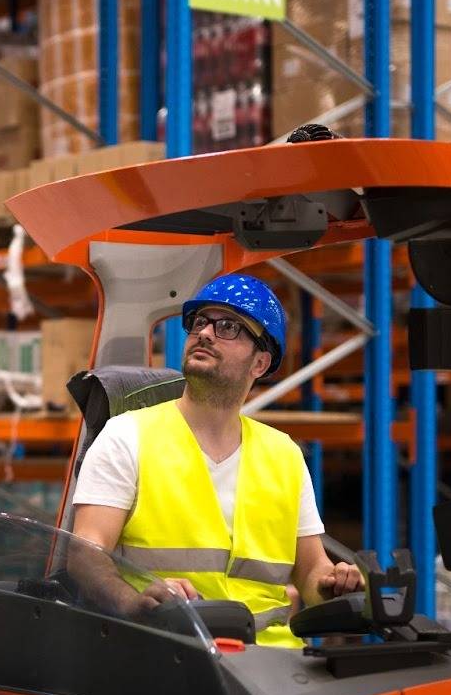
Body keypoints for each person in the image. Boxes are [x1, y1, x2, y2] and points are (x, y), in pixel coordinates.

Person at [68, 273, 363, 647]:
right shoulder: (127, 436)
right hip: (166, 646)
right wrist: (133, 602)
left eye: (228, 327)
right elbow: (84, 553)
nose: (205, 333)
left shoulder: (284, 454)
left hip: (272, 665)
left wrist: (334, 584)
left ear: (260, 362)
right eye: (199, 323)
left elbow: (310, 571)